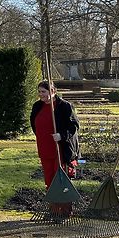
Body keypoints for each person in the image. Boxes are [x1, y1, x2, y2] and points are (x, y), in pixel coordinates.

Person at [30, 80, 80, 217]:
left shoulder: (64, 106)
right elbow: (34, 125)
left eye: (44, 92)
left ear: (53, 91)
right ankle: (53, 210)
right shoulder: (37, 106)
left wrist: (61, 135)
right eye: (39, 92)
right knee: (49, 181)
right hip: (44, 149)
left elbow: (73, 126)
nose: (41, 95)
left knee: (61, 180)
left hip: (60, 149)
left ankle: (64, 211)